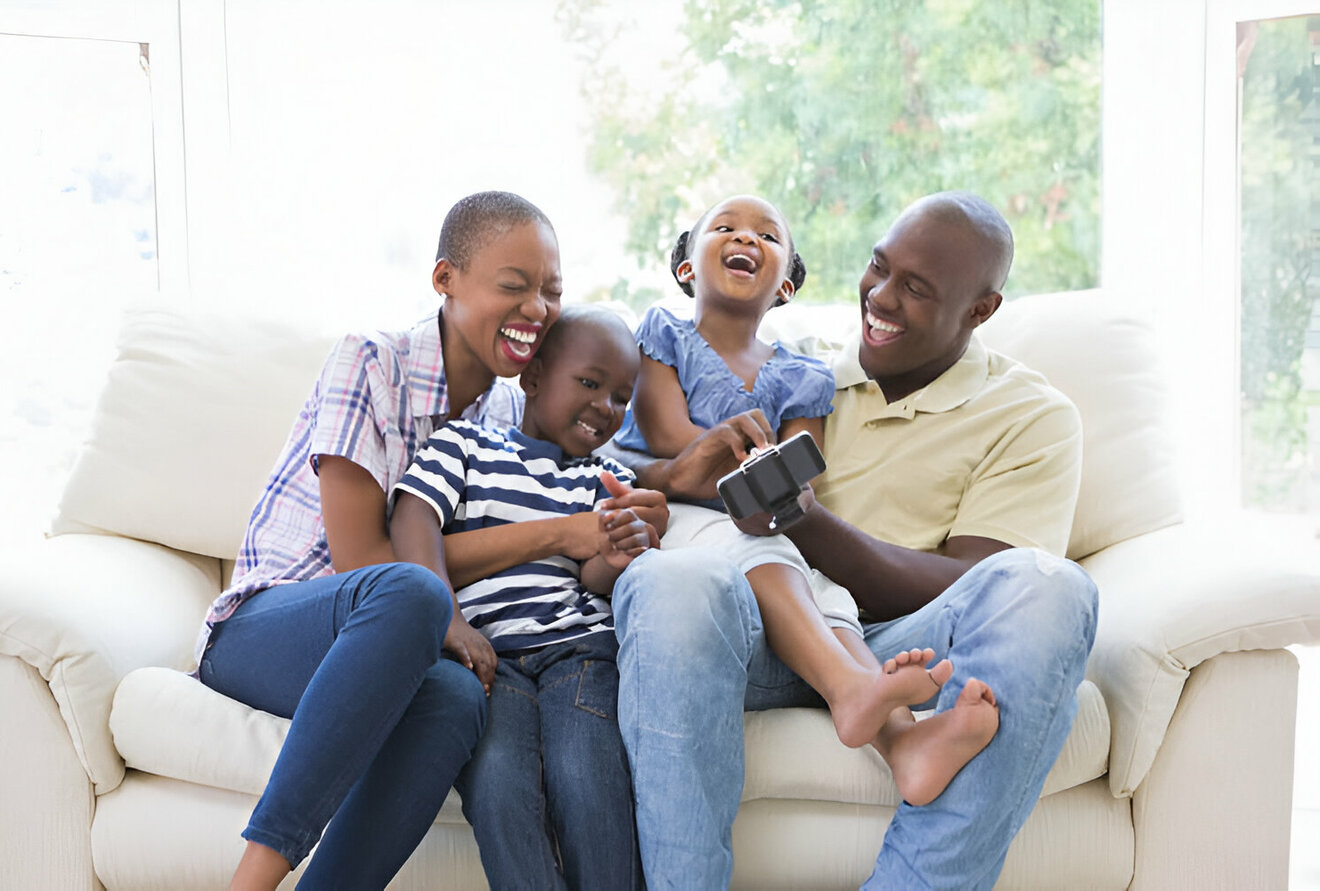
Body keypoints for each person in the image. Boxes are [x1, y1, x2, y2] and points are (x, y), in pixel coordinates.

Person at [610, 191, 1099, 890]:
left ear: (981, 310)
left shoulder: (1030, 415)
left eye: (916, 289)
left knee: (1053, 589)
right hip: (755, 636)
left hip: (907, 644)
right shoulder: (807, 378)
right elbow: (642, 446)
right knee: (672, 580)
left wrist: (804, 520)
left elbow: (977, 579)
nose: (881, 297)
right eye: (879, 266)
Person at [192, 190, 570, 891]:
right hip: (267, 627)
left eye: (551, 291)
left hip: (404, 645)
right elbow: (360, 559)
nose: (537, 310)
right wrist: (452, 613)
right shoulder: (371, 360)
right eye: (513, 287)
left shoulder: (511, 415)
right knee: (414, 594)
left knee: (457, 698)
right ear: (445, 279)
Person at [607, 193, 956, 760]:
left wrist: (772, 484)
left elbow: (799, 475)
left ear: (785, 287)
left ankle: (899, 738)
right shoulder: (664, 335)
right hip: (679, 512)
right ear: (687, 269)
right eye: (725, 227)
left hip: (758, 523)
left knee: (829, 594)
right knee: (764, 554)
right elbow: (670, 440)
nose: (747, 238)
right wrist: (735, 459)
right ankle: (850, 692)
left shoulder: (803, 375)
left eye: (768, 236)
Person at [389, 306, 662, 890]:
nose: (605, 407)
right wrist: (449, 620)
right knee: (499, 787)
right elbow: (413, 520)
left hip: (580, 654)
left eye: (621, 397)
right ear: (533, 377)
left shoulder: (606, 479)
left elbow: (595, 578)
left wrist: (618, 553)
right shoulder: (464, 444)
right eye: (589, 383)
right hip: (489, 660)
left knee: (586, 779)